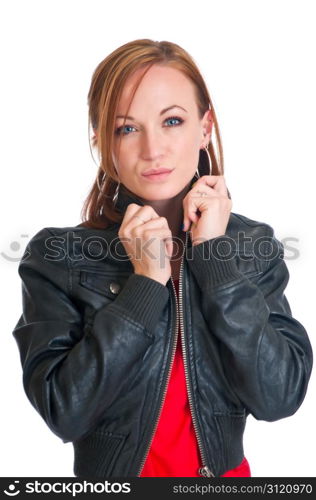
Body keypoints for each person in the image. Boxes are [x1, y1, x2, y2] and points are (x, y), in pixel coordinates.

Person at [12, 38, 313, 478]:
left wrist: (213, 258)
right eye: (126, 128)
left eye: (172, 120)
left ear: (205, 127)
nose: (153, 150)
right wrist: (146, 284)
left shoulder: (251, 246)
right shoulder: (59, 258)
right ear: (102, 141)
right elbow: (64, 411)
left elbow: (279, 398)